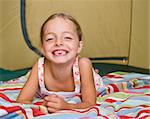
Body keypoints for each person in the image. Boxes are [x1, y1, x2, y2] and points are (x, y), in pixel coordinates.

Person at [17, 13, 104, 113]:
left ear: (79, 46)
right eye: (50, 39)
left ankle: (93, 73)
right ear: (42, 48)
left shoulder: (83, 64)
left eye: (67, 38)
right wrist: (43, 106)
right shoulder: (40, 66)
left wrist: (67, 106)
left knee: (89, 74)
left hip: (85, 73)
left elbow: (90, 104)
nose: (58, 42)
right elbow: (22, 100)